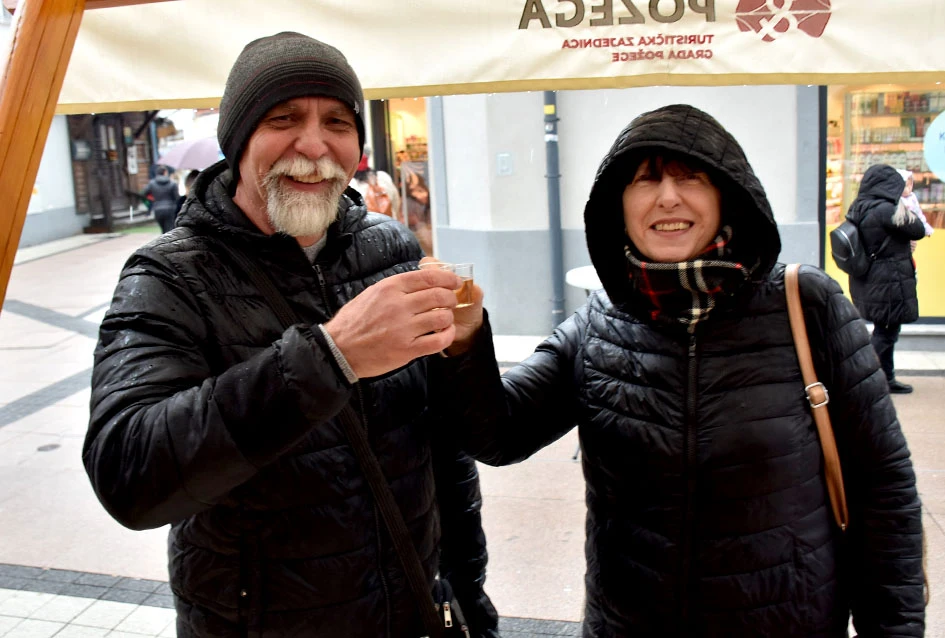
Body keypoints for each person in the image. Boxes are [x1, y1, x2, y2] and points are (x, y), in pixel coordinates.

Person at [432, 104, 925, 636]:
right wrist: (465, 344)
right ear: (618, 207)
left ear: (725, 195)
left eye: (690, 176)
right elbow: (498, 434)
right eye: (646, 180)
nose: (668, 195)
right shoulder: (597, 326)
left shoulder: (807, 306)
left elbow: (884, 493)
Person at [84, 32, 498, 638]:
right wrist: (330, 357)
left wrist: (469, 597)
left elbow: (443, 451)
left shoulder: (392, 247)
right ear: (238, 142)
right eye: (283, 118)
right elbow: (129, 473)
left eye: (337, 121)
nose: (314, 144)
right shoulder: (168, 276)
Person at [846, 164, 928, 394]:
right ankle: (863, 378)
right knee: (886, 333)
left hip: (872, 279)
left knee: (886, 329)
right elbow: (918, 230)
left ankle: (886, 378)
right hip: (888, 280)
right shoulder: (886, 210)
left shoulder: (860, 205)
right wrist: (905, 206)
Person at [897, 169, 935, 254]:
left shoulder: (912, 197)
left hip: (913, 228)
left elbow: (919, 214)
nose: (908, 189)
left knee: (911, 248)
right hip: (901, 232)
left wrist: (926, 229)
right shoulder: (897, 199)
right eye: (905, 186)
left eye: (910, 186)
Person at [142, 164, 180, 233]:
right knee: (169, 229)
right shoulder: (172, 183)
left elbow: (144, 193)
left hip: (157, 208)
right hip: (170, 208)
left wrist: (152, 198)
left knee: (163, 231)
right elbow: (177, 198)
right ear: (165, 172)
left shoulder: (152, 183)